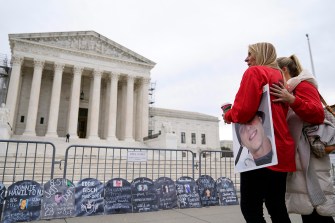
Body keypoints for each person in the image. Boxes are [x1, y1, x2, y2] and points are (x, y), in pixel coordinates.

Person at [222, 42, 295, 223]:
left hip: (262, 152)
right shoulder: (279, 76)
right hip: (281, 147)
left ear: (261, 55)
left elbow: (244, 111)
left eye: (250, 54)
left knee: (250, 208)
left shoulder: (255, 72)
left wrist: (229, 115)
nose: (246, 59)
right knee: (276, 205)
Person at [270, 54, 335, 223]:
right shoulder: (291, 88)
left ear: (284, 70)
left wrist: (291, 100)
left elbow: (317, 113)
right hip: (301, 152)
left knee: (318, 207)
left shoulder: (303, 85)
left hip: (310, 152)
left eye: (275, 72)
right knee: (308, 206)